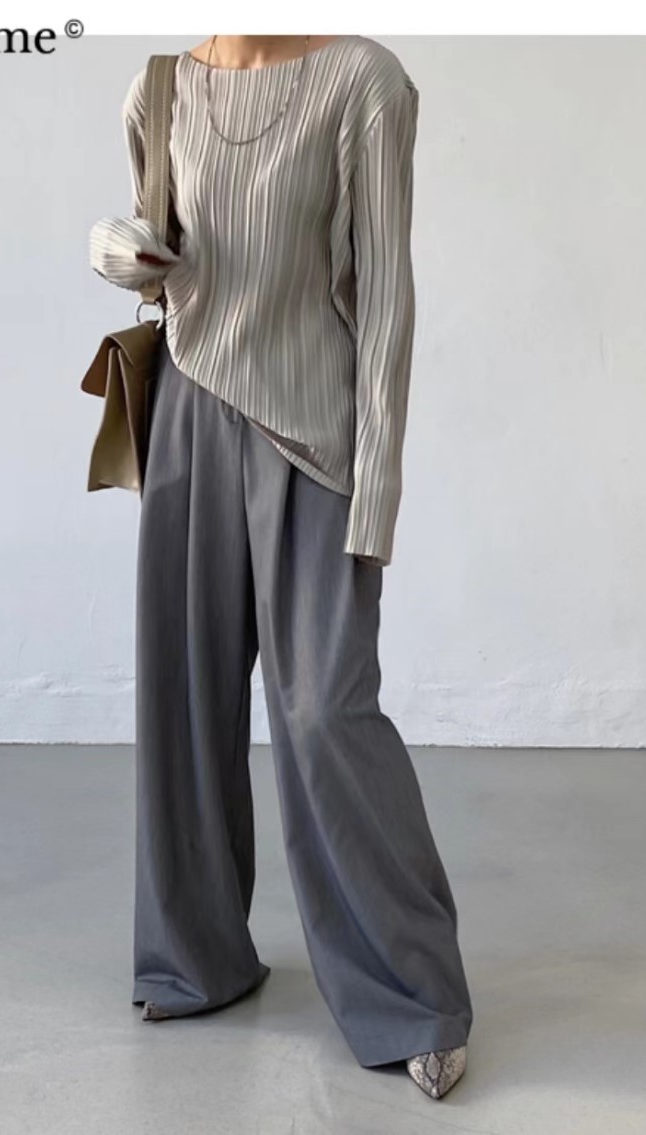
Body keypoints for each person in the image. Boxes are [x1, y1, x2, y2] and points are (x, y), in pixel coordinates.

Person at [89, 34, 472, 1100]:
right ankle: (192, 958)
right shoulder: (158, 88)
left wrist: (378, 483)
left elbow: (386, 295)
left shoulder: (363, 84)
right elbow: (156, 246)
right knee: (185, 697)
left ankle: (414, 996)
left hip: (312, 436)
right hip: (188, 422)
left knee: (324, 708)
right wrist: (115, 250)